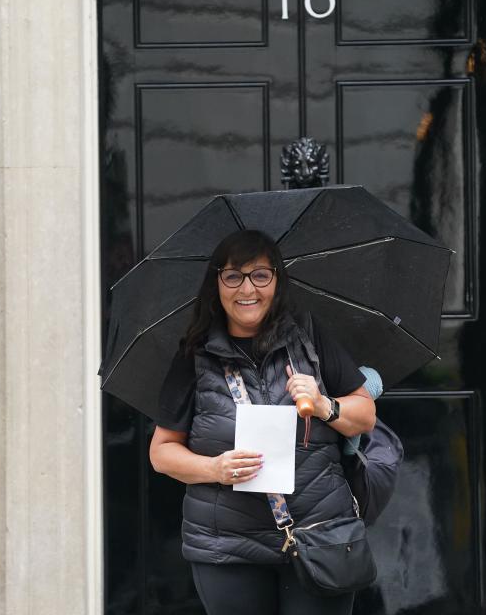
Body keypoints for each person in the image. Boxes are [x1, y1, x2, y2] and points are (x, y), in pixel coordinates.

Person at [150, 229, 377, 615]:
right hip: (227, 547)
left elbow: (364, 415)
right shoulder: (195, 355)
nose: (247, 289)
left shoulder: (307, 337)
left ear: (277, 280)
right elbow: (161, 453)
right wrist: (214, 468)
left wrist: (325, 406)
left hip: (319, 535)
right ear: (216, 284)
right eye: (233, 276)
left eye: (260, 275)